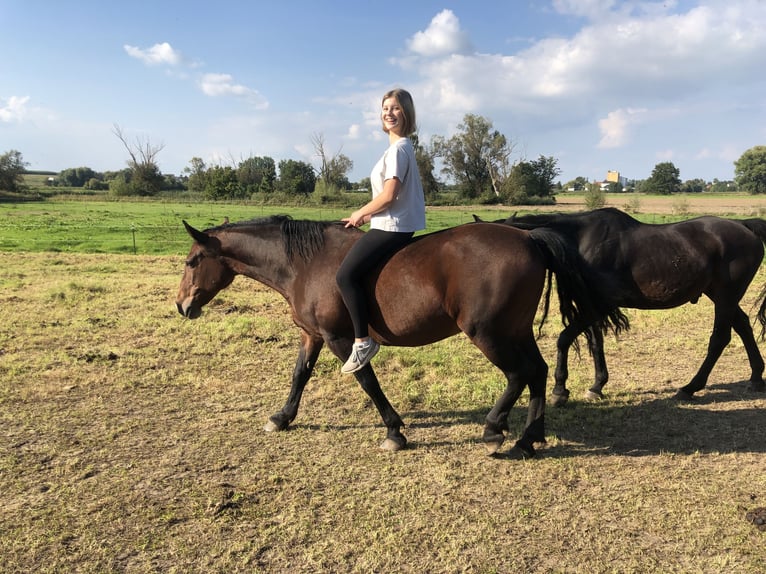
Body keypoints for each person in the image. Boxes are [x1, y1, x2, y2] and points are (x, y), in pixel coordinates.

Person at [336, 88, 426, 374]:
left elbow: (389, 196)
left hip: (392, 225)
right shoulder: (399, 148)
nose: (389, 112)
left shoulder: (399, 150)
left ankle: (363, 341)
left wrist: (361, 213)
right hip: (390, 222)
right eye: (386, 108)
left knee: (345, 276)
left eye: (396, 108)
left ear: (406, 114)